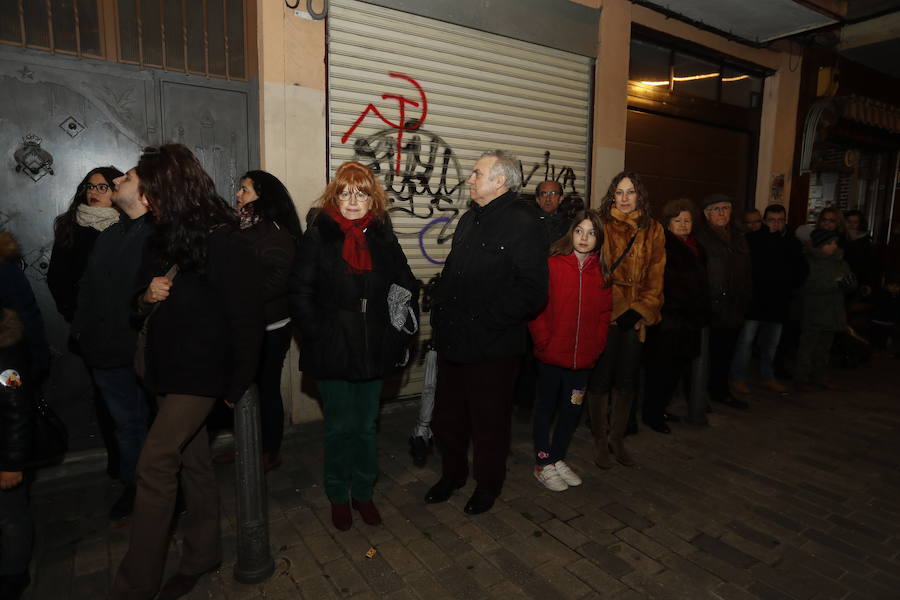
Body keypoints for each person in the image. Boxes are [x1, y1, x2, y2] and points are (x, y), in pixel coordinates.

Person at [110, 144, 263, 600]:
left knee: (155, 463)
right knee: (193, 464)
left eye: (153, 192)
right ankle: (202, 555)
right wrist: (145, 296)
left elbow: (247, 320)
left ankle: (134, 586)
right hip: (164, 369)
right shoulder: (161, 235)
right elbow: (137, 301)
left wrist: (238, 383)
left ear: (172, 191)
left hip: (201, 376)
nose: (147, 201)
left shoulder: (225, 240)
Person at [293, 161, 419, 531]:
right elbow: (299, 291)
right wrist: (318, 333)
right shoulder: (319, 235)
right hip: (333, 346)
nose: (352, 200)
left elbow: (406, 284)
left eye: (361, 193)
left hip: (373, 347)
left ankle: (363, 491)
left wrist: (395, 332)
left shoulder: (383, 236)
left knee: (365, 426)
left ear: (372, 199)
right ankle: (337, 494)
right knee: (338, 427)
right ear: (335, 195)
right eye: (346, 192)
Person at [426, 150, 547, 515]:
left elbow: (532, 291)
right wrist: (440, 315)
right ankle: (452, 475)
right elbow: (453, 273)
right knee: (449, 418)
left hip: (493, 347)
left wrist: (485, 321)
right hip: (454, 342)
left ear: (500, 181)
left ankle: (488, 484)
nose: (470, 179)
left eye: (478, 173)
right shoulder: (469, 220)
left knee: (489, 424)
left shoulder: (524, 223)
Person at [70, 169, 156, 521]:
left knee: (155, 426)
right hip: (104, 350)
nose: (116, 182)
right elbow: (89, 287)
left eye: (126, 179)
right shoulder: (110, 235)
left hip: (139, 349)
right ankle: (134, 486)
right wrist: (81, 332)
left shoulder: (158, 235)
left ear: (145, 194)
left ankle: (161, 490)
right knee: (126, 425)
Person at [214, 170, 301, 472]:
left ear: (262, 196)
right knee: (239, 387)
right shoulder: (236, 227)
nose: (238, 195)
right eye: (239, 189)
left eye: (245, 190)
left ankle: (269, 451)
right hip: (239, 324)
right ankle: (246, 446)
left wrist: (240, 299)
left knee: (265, 388)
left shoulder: (275, 232)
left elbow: (279, 279)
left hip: (270, 326)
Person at [46, 166, 124, 478]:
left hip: (130, 327)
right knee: (106, 400)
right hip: (93, 331)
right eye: (90, 186)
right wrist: (78, 316)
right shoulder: (71, 227)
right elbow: (57, 279)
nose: (95, 192)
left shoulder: (130, 225)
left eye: (103, 186)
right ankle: (119, 466)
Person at [585, 171, 665, 467]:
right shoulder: (601, 224)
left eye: (630, 192)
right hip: (606, 313)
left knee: (628, 381)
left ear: (639, 195)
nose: (625, 198)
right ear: (612, 195)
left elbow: (656, 277)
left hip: (636, 316)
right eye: (619, 192)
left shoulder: (653, 229)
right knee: (601, 380)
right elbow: (591, 271)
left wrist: (642, 309)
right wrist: (609, 308)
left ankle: (616, 438)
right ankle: (598, 440)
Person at [529, 210, 611, 491]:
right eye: (579, 231)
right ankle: (542, 461)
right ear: (571, 233)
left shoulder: (602, 271)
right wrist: (543, 340)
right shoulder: (553, 265)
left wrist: (597, 345)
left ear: (599, 238)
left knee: (571, 409)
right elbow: (536, 307)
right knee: (546, 407)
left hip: (584, 360)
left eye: (591, 233)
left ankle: (557, 456)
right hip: (551, 355)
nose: (584, 238)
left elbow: (604, 314)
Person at [642, 199, 710, 434]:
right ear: (668, 223)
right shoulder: (663, 245)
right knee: (660, 370)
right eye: (678, 220)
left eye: (687, 220)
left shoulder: (696, 246)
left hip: (688, 321)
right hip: (668, 319)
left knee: (676, 370)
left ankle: (660, 408)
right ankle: (652, 413)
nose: (683, 224)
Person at [729, 204, 807, 394]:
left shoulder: (792, 242)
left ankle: (767, 376)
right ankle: (737, 377)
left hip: (779, 300)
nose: (776, 224)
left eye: (780, 220)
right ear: (765, 221)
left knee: (771, 343)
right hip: (755, 299)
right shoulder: (753, 239)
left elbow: (802, 270)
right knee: (746, 341)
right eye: (772, 220)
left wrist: (789, 284)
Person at [694, 194, 752, 410]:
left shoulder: (739, 237)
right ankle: (702, 394)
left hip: (734, 307)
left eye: (725, 208)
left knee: (726, 353)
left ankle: (720, 390)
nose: (721, 213)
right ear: (707, 214)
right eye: (716, 209)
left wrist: (746, 298)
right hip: (712, 307)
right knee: (707, 355)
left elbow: (747, 272)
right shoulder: (700, 237)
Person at [0, 305, 35, 600]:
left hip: (4, 456)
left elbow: (17, 411)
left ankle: (15, 573)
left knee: (11, 516)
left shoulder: (6, 357)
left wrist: (12, 462)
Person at [795, 228, 856, 392]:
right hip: (814, 310)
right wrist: (834, 282)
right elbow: (807, 285)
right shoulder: (808, 261)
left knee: (824, 348)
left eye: (835, 242)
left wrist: (849, 284)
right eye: (830, 243)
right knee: (807, 347)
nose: (833, 246)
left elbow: (849, 282)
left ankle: (820, 377)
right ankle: (801, 378)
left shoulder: (840, 262)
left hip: (833, 310)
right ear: (820, 245)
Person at [843, 210, 879, 298]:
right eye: (849, 222)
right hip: (841, 279)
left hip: (857, 280)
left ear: (860, 224)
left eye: (855, 222)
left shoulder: (865, 242)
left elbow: (869, 264)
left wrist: (867, 283)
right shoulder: (839, 239)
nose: (852, 225)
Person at [869, 273, 900, 356]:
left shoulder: (896, 296)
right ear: (886, 286)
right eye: (892, 285)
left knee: (887, 343)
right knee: (879, 343)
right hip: (879, 323)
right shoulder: (882, 295)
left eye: (897, 286)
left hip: (890, 324)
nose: (895, 287)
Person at [534, 180, 572, 245]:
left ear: (561, 199)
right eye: (544, 194)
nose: (548, 199)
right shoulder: (529, 223)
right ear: (537, 199)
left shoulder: (570, 226)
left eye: (553, 193)